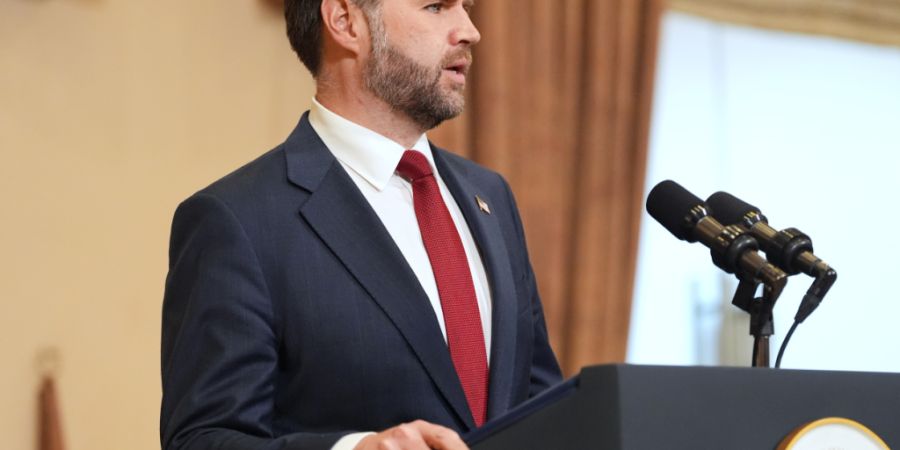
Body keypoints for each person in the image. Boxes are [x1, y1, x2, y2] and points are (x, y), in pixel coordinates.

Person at [160, 0, 562, 449]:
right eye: (436, 7)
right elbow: (202, 440)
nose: (470, 30)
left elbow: (539, 403)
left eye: (465, 7)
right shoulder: (236, 221)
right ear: (345, 21)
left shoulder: (491, 196)